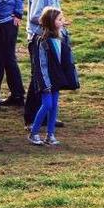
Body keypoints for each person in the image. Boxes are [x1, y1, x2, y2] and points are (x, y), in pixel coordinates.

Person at [24, 0, 73, 129]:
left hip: (49, 39)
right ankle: (31, 119)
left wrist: (60, 24)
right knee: (38, 77)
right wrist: (54, 23)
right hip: (39, 39)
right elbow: (35, 16)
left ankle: (45, 116)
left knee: (49, 76)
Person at [29, 8, 79, 146]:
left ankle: (50, 135)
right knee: (47, 104)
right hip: (45, 78)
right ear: (51, 22)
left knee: (54, 105)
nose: (63, 21)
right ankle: (33, 133)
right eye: (59, 19)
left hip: (56, 77)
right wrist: (45, 83)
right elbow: (41, 64)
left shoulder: (62, 35)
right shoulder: (41, 40)